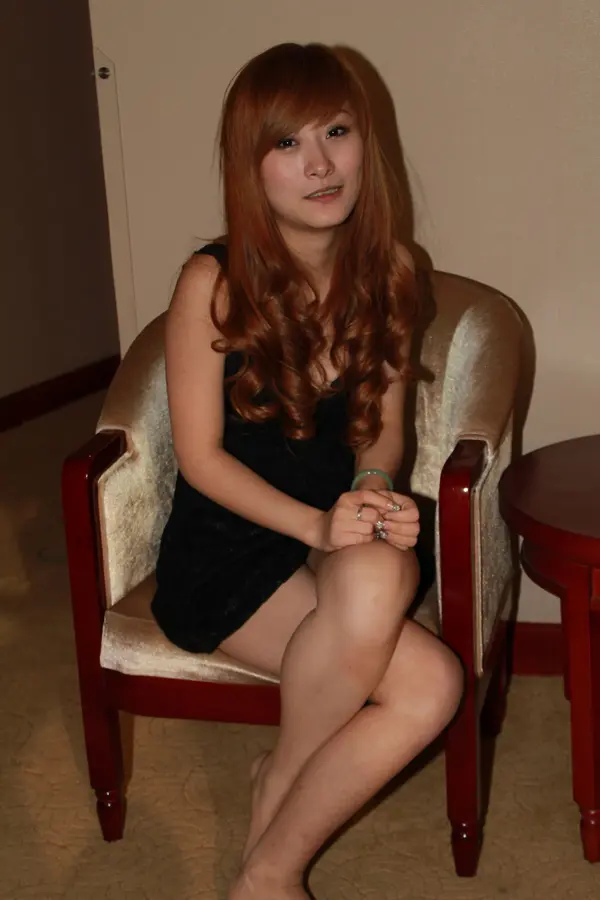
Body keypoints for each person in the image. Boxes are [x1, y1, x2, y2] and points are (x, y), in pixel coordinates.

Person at [151, 42, 464, 900]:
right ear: (250, 168)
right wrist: (315, 526)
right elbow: (201, 459)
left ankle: (266, 860)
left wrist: (372, 491)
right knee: (431, 686)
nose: (320, 164)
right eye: (287, 144)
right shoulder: (213, 283)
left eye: (336, 132)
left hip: (336, 529)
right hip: (231, 548)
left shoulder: (393, 272)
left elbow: (381, 436)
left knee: (379, 579)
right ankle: (274, 860)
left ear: (367, 142)